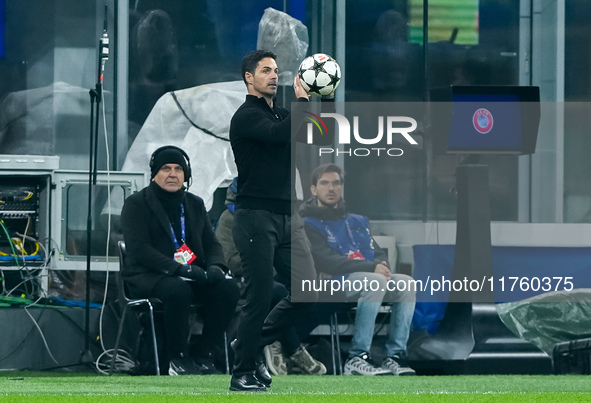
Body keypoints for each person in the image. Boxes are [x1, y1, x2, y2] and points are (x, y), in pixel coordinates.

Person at [229, 50, 321, 391]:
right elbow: (280, 135)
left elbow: (306, 137)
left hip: (287, 216)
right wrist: (301, 103)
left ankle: (246, 345)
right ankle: (242, 374)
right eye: (265, 70)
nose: (273, 75)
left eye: (277, 71)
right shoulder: (246, 117)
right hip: (256, 217)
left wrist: (311, 103)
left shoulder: (284, 115)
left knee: (307, 290)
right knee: (259, 295)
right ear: (248, 78)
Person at [121, 145, 240, 375]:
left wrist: (217, 266)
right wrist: (178, 269)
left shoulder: (194, 204)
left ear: (186, 175)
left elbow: (211, 243)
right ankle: (178, 357)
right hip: (147, 275)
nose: (172, 174)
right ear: (154, 174)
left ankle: (204, 354)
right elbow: (139, 250)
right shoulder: (136, 204)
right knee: (178, 290)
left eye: (178, 169)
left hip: (189, 275)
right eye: (166, 168)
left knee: (228, 289)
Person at [299, 163, 417, 376]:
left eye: (336, 183)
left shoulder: (358, 221)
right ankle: (357, 356)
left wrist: (383, 267)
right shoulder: (307, 223)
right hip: (331, 283)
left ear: (342, 187)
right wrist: (372, 268)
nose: (331, 188)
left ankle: (395, 356)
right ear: (314, 189)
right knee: (375, 281)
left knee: (406, 283)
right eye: (324, 183)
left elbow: (376, 251)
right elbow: (328, 262)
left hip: (367, 279)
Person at [215, 178, 327, 376]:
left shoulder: (289, 216)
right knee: (274, 291)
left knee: (306, 290)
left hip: (278, 273)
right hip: (243, 277)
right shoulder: (230, 218)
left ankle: (263, 341)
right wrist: (268, 260)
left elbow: (304, 250)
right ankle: (289, 348)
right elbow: (230, 260)